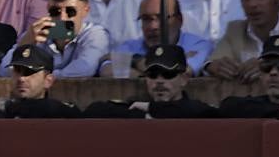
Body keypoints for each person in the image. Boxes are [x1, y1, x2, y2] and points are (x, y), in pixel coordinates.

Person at [2, 0, 110, 77]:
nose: (62, 18)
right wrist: (23, 45)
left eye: (70, 11)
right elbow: (3, 71)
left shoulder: (95, 35)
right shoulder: (38, 35)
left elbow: (85, 69)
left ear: (85, 10)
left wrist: (40, 79)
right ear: (48, 9)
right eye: (55, 11)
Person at [83, 43, 219, 118]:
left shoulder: (197, 111)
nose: (159, 81)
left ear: (183, 79)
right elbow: (94, 110)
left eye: (167, 74)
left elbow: (199, 111)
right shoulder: (137, 107)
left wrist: (151, 109)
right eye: (153, 75)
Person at [0, 42, 82, 117]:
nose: (21, 78)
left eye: (29, 72)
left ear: (48, 80)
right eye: (17, 71)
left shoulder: (62, 112)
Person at [110, 0, 214, 76]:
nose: (153, 26)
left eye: (161, 18)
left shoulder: (198, 46)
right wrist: (137, 61)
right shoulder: (130, 47)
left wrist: (134, 64)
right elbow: (106, 70)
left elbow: (183, 72)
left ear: (179, 20)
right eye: (146, 19)